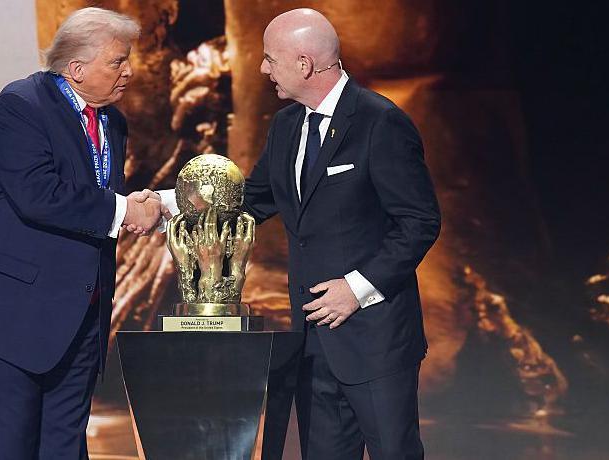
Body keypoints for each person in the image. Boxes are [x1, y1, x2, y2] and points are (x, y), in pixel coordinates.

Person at [149, 8, 440, 459]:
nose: (262, 68)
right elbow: (252, 198)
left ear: (304, 64)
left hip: (375, 340)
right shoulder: (286, 125)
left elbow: (419, 222)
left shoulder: (379, 122)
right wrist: (164, 204)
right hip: (311, 341)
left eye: (270, 59)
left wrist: (356, 289)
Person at [0, 8, 165, 459]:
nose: (129, 70)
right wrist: (123, 209)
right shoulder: (22, 105)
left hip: (79, 320)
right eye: (117, 61)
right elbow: (38, 194)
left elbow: (90, 200)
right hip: (7, 319)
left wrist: (139, 207)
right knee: (5, 449)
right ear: (77, 70)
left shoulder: (112, 121)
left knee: (64, 450)